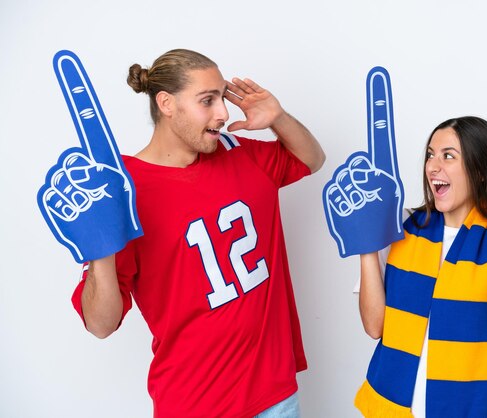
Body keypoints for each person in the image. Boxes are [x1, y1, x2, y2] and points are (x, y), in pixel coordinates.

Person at [70, 49, 325, 418]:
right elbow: (100, 324)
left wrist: (278, 118)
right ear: (166, 103)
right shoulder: (123, 192)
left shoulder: (239, 154)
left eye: (222, 97)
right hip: (195, 403)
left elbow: (310, 160)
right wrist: (99, 244)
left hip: (275, 395)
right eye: (207, 100)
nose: (222, 113)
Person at [354, 116, 487, 417]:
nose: (432, 166)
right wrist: (366, 244)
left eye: (448, 156)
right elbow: (375, 327)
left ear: (479, 171)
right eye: (430, 155)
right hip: (385, 407)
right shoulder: (400, 227)